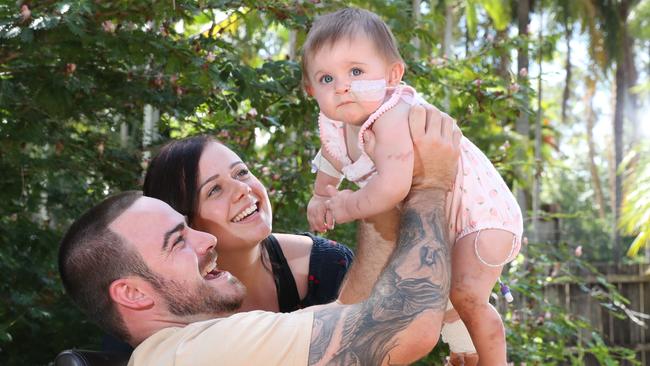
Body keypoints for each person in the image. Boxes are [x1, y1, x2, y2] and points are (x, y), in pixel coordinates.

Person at [58, 105, 462, 365]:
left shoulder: (192, 344)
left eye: (240, 173)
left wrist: (377, 192)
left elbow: (346, 313)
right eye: (178, 240)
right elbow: (402, 329)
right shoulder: (203, 351)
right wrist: (431, 183)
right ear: (132, 293)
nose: (206, 240)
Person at [302, 7, 523, 365]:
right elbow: (332, 157)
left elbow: (391, 188)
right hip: (441, 217)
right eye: (326, 78)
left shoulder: (392, 115)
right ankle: (466, 352)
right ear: (311, 88)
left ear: (392, 75)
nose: (341, 86)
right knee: (442, 293)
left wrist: (345, 206)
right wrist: (321, 193)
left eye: (356, 71)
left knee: (466, 293)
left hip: (479, 215)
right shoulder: (337, 122)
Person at [142, 135, 354, 314]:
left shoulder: (329, 265)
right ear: (183, 222)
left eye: (241, 173)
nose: (242, 189)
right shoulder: (164, 310)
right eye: (214, 189)